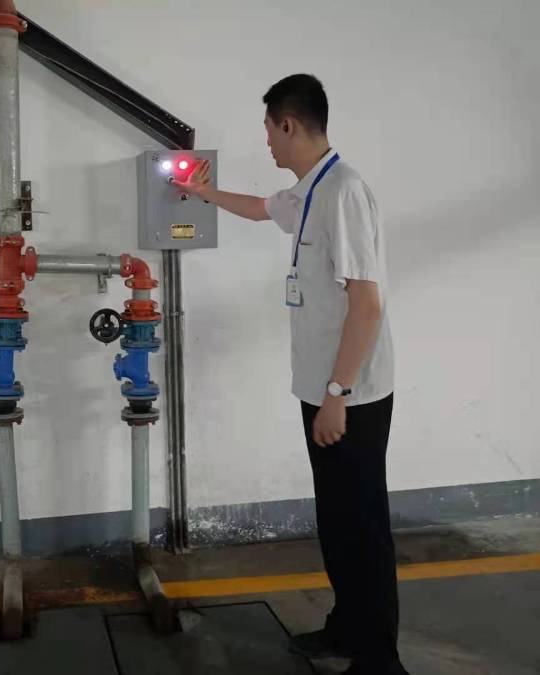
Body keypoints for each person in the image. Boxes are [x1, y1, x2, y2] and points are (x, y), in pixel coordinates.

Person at [173, 74, 407, 675]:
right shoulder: (309, 190)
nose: (267, 144)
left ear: (289, 124)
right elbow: (259, 209)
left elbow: (367, 304)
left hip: (351, 395)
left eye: (269, 131)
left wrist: (337, 394)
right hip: (323, 389)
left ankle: (379, 660)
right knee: (336, 521)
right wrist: (202, 192)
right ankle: (347, 629)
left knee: (363, 527)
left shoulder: (344, 192)